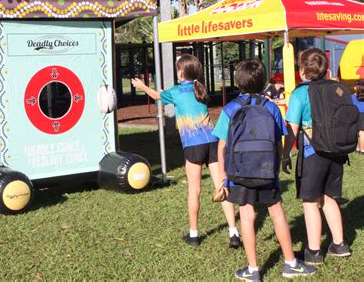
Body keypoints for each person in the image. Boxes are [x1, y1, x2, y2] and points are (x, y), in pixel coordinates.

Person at [213, 58, 316, 280]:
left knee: (247, 216)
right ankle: (290, 263)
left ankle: (253, 270)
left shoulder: (230, 109)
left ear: (238, 82)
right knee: (277, 212)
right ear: (263, 82)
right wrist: (277, 166)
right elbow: (279, 139)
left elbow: (221, 145)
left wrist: (223, 176)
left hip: (239, 172)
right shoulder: (271, 107)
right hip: (267, 170)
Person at [131, 54, 240, 248]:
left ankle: (194, 234)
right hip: (212, 142)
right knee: (221, 187)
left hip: (193, 145)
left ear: (180, 72)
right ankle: (233, 233)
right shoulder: (201, 88)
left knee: (194, 189)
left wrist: (142, 86)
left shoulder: (175, 91)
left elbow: (158, 96)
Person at [282, 48, 351, 266]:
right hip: (337, 152)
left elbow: (292, 127)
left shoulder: (300, 93)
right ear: (324, 68)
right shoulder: (336, 88)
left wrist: (285, 155)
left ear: (302, 70)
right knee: (329, 197)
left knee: (310, 202)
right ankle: (339, 244)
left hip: (312, 154)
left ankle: (313, 251)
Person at [352, 79, 364, 153]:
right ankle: (361, 149)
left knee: (358, 132)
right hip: (361, 114)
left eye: (355, 86)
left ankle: (359, 148)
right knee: (361, 132)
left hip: (356, 114)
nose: (354, 87)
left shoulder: (352, 96)